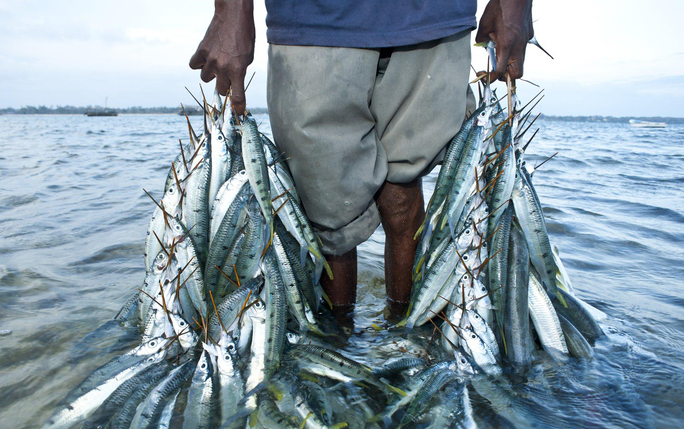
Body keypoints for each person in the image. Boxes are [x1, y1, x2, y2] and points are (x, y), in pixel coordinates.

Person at [190, 0, 534, 325]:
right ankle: (338, 344)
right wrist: (231, 10)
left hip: (435, 17)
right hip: (311, 20)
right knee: (329, 212)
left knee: (401, 195)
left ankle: (404, 337)